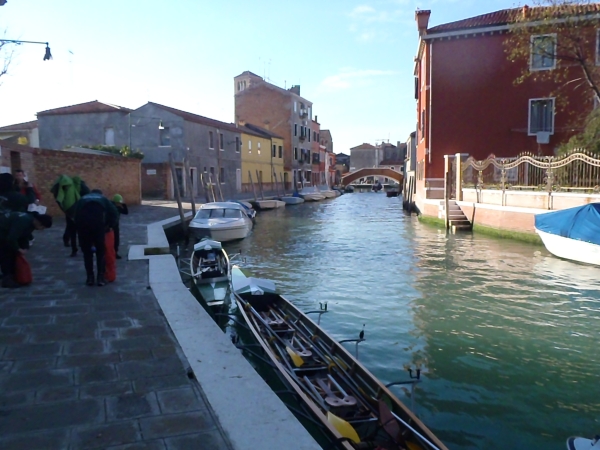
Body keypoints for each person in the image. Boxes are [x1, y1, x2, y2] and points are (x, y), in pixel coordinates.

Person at [73, 189, 118, 287]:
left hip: (84, 228)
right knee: (100, 253)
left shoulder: (81, 199)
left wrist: (79, 228)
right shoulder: (103, 199)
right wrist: (109, 225)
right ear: (100, 193)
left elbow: (74, 215)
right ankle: (100, 278)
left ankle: (90, 278)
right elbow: (114, 213)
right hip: (98, 226)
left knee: (87, 254)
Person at [0, 211, 52, 288]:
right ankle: (7, 279)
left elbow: (24, 236)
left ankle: (10, 275)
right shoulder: (23, 221)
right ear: (39, 222)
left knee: (12, 253)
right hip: (2, 232)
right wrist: (18, 249)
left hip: (5, 232)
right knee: (7, 254)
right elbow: (11, 238)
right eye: (43, 227)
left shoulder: (31, 222)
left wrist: (25, 248)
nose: (42, 229)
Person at [51, 175, 90, 257]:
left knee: (72, 230)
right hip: (80, 210)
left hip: (70, 210)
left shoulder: (64, 187)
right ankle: (81, 246)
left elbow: (59, 199)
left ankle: (74, 249)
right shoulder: (82, 187)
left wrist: (65, 210)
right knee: (81, 230)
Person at [111, 194, 128, 259]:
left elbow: (126, 212)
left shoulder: (118, 207)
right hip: (111, 226)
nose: (119, 204)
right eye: (118, 203)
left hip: (116, 225)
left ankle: (115, 253)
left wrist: (123, 204)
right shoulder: (111, 207)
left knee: (116, 240)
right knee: (111, 241)